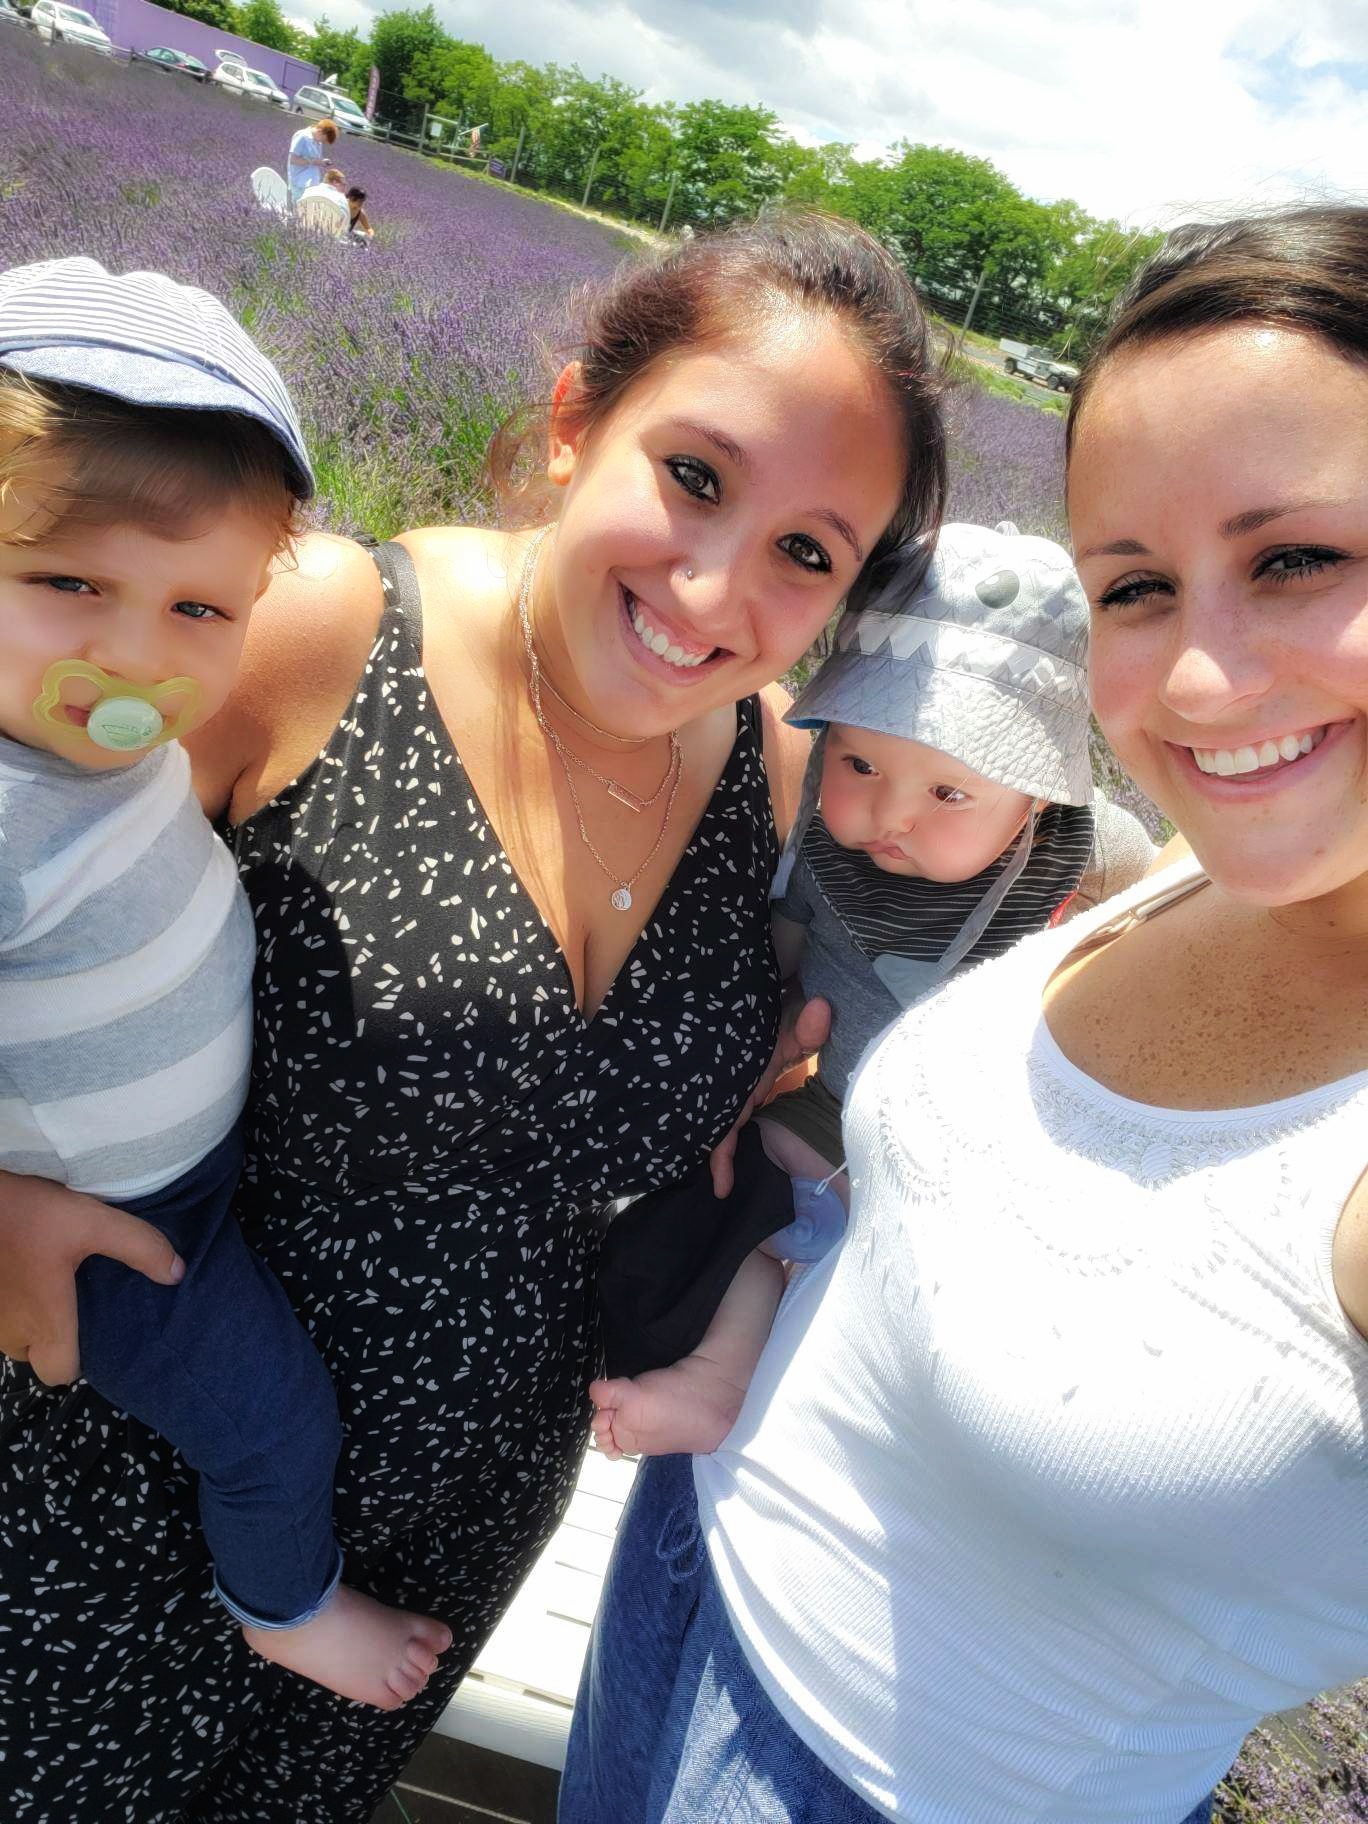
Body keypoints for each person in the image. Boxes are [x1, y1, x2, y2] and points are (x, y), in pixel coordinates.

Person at [0, 212, 946, 1820]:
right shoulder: (304, 637)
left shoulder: (789, 789)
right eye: (696, 476)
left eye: (811, 551)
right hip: (116, 1473)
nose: (718, 587)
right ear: (577, 422)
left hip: (454, 1531)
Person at [559, 204, 1368, 1824]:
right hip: (677, 1578)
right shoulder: (1188, 870)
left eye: (1293, 558)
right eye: (1132, 585)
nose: (1196, 685)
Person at [0, 255, 451, 1717]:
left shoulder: (82, 736)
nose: (134, 648)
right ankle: (288, 1605)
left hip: (179, 1171)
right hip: (115, 1233)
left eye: (201, 609)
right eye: (67, 581)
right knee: (270, 1425)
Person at [590, 521, 1155, 1457]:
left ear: (1037, 801)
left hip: (997, 1144)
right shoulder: (822, 845)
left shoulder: (1092, 860)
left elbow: (1146, 956)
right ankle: (719, 1379)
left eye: (949, 795)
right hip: (839, 1106)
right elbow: (776, 969)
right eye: (858, 764)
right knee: (747, 1198)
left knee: (968, 1282)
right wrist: (747, 1066)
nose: (888, 815)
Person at [287, 115, 338, 207]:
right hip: (299, 183)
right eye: (324, 140)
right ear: (321, 132)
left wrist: (322, 161)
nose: (323, 142)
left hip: (311, 184)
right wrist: (314, 162)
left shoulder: (317, 141)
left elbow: (314, 160)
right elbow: (293, 159)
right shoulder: (302, 137)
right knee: (298, 212)